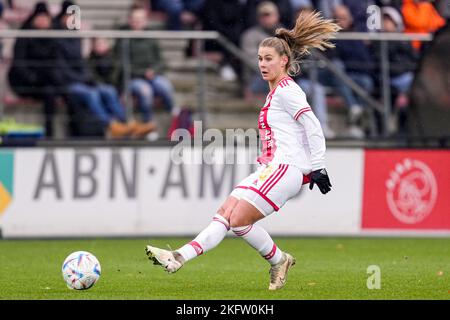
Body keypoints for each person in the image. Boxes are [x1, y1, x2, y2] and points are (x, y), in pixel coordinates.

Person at [145, 11, 337, 290]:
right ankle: (178, 256)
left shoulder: (287, 90)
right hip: (270, 168)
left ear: (284, 60)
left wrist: (318, 166)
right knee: (225, 213)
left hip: (286, 169)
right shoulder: (275, 92)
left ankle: (279, 260)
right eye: (259, 58)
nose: (262, 64)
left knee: (238, 221)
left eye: (268, 58)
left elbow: (313, 125)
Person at [8, 2, 59, 138]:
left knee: (52, 92)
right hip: (25, 83)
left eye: (45, 18)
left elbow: (56, 63)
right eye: (40, 18)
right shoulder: (24, 36)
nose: (42, 21)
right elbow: (19, 63)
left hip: (45, 83)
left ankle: (51, 133)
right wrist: (33, 77)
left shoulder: (54, 38)